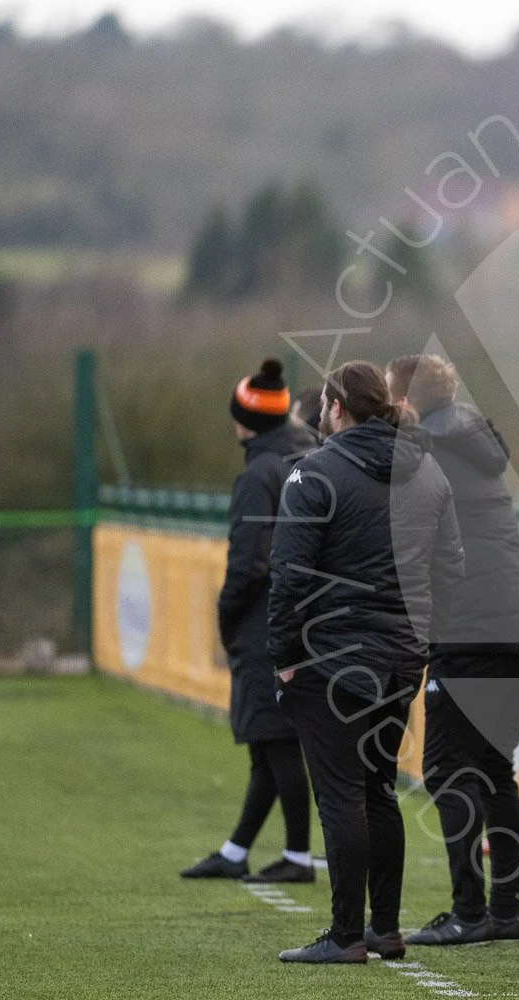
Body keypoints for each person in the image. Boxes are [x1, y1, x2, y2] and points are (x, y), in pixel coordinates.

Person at [267, 360, 464, 964]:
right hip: (402, 661)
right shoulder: (427, 472)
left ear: (336, 409)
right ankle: (384, 930)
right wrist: (416, 640)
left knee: (342, 795)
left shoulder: (316, 471)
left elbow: (289, 576)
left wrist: (283, 657)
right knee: (379, 791)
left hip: (331, 663)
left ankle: (347, 934)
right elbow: (451, 570)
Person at [382, 354, 519, 947]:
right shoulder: (474, 436)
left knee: (450, 769)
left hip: (471, 628)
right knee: (494, 769)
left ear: (406, 402)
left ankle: (469, 913)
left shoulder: (422, 450)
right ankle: (504, 912)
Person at [181, 358, 318, 884]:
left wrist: (227, 615)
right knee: (269, 740)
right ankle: (237, 850)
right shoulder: (310, 460)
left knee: (277, 738)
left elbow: (248, 564)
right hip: (312, 617)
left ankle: (300, 857)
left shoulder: (259, 475)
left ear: (246, 421)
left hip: (269, 622)